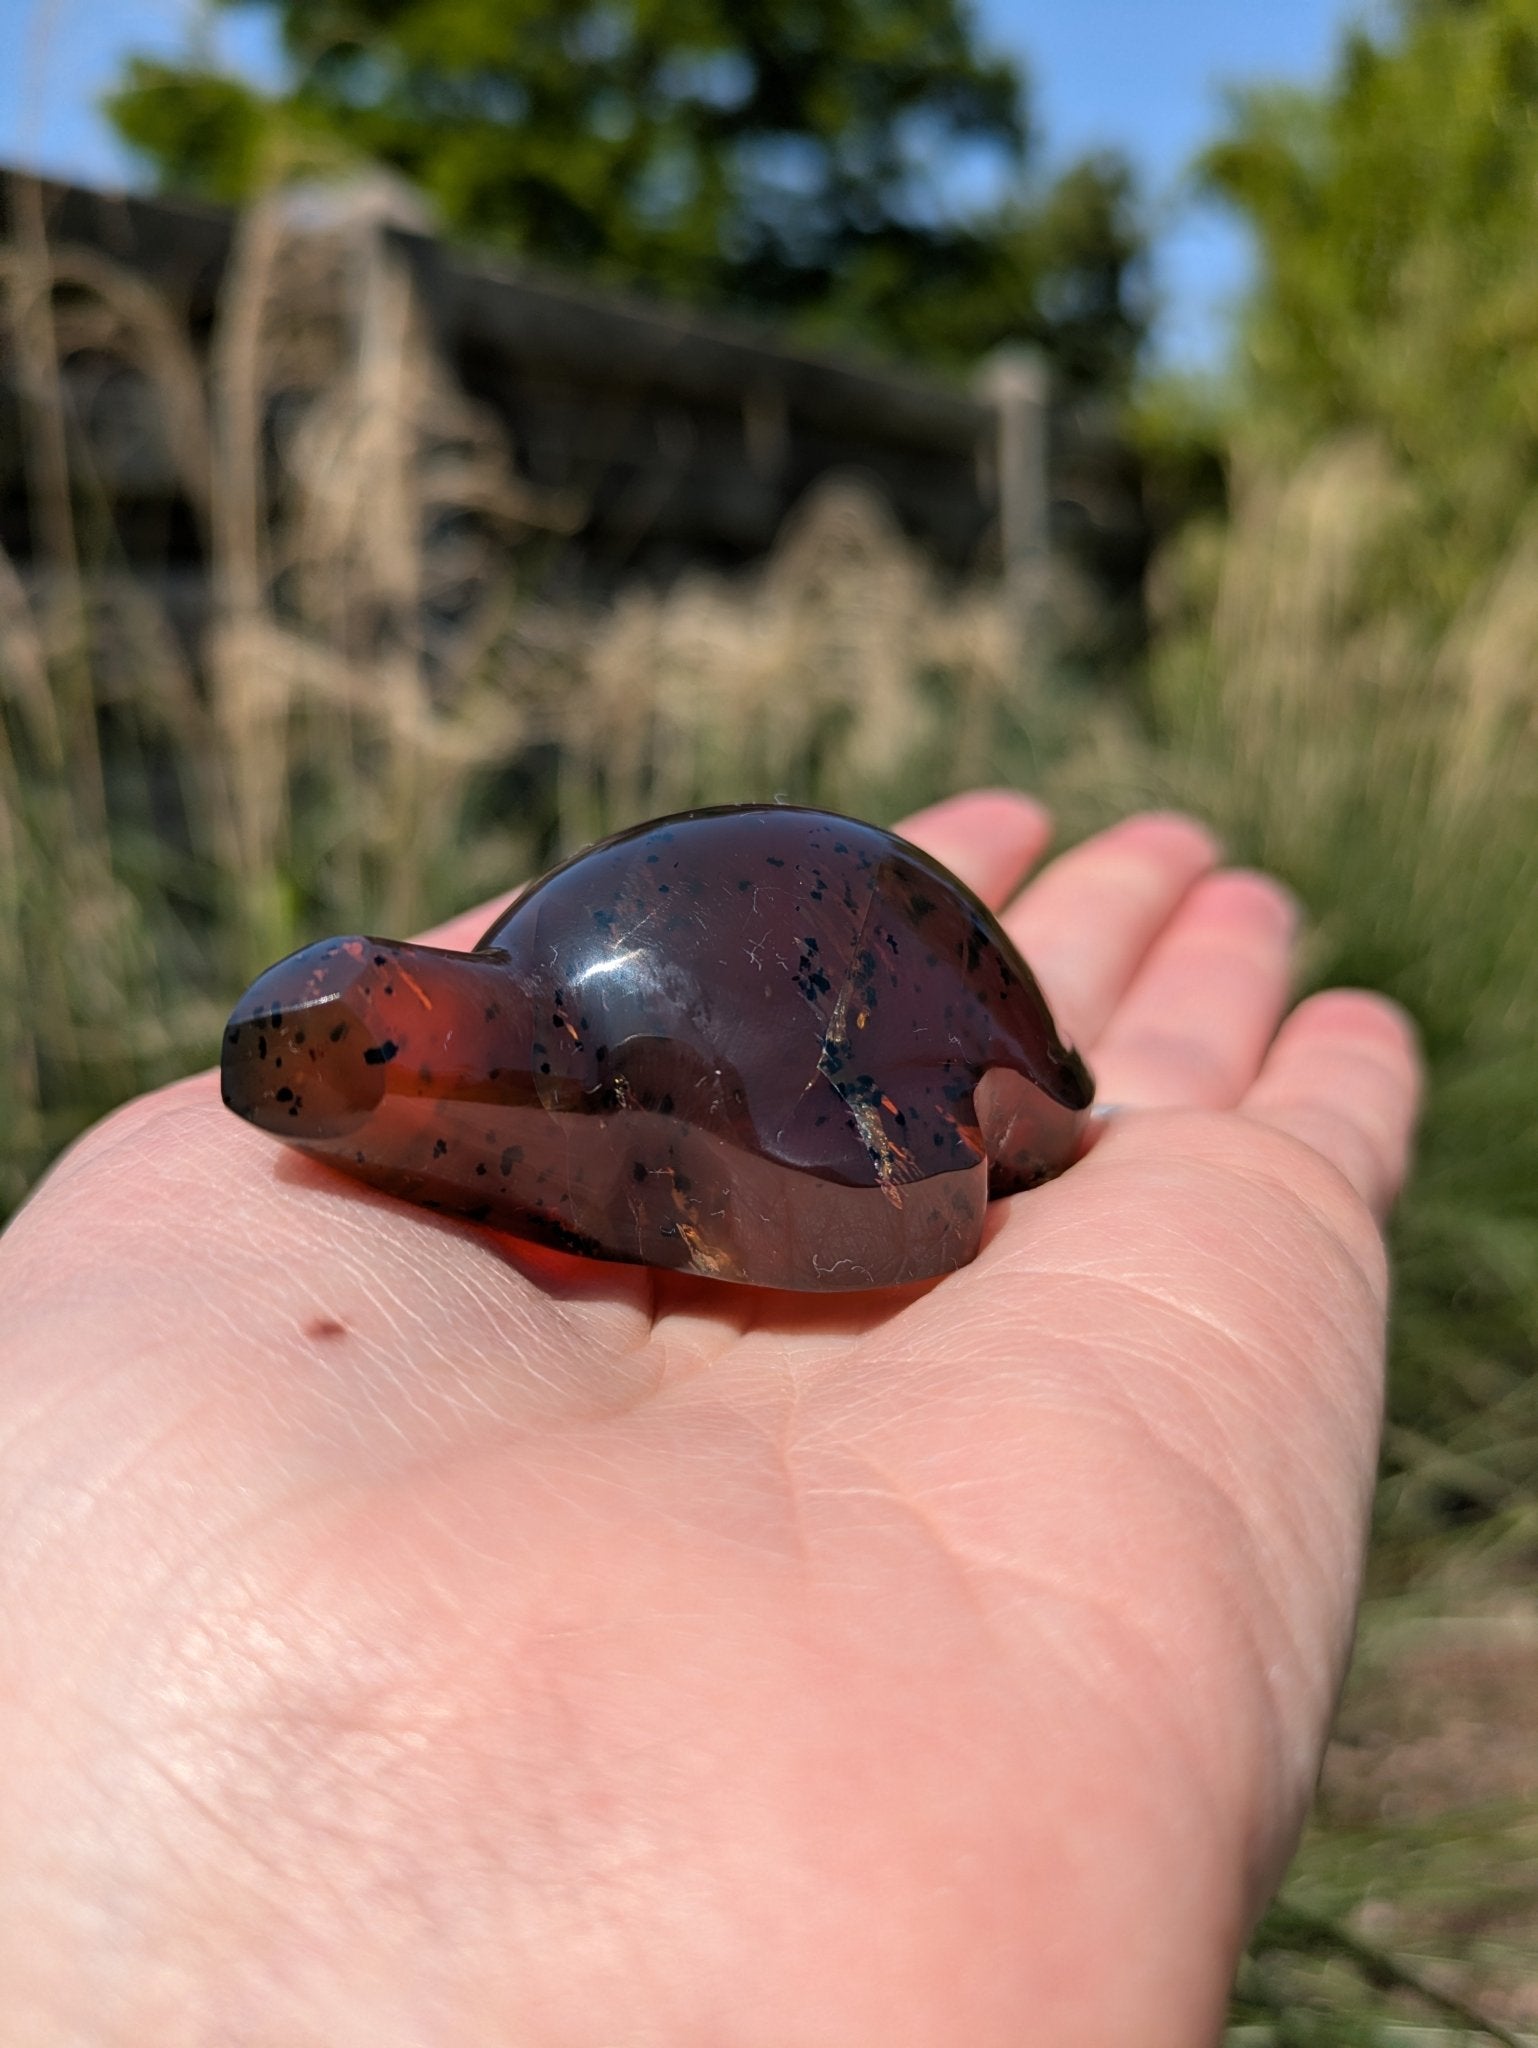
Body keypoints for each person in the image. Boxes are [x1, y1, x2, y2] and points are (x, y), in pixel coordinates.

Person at [0, 790, 1420, 2045]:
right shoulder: (552, 1014)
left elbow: (895, 1198)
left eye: (350, 1064)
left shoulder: (607, 1026)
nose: (296, 1108)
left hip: (914, 995)